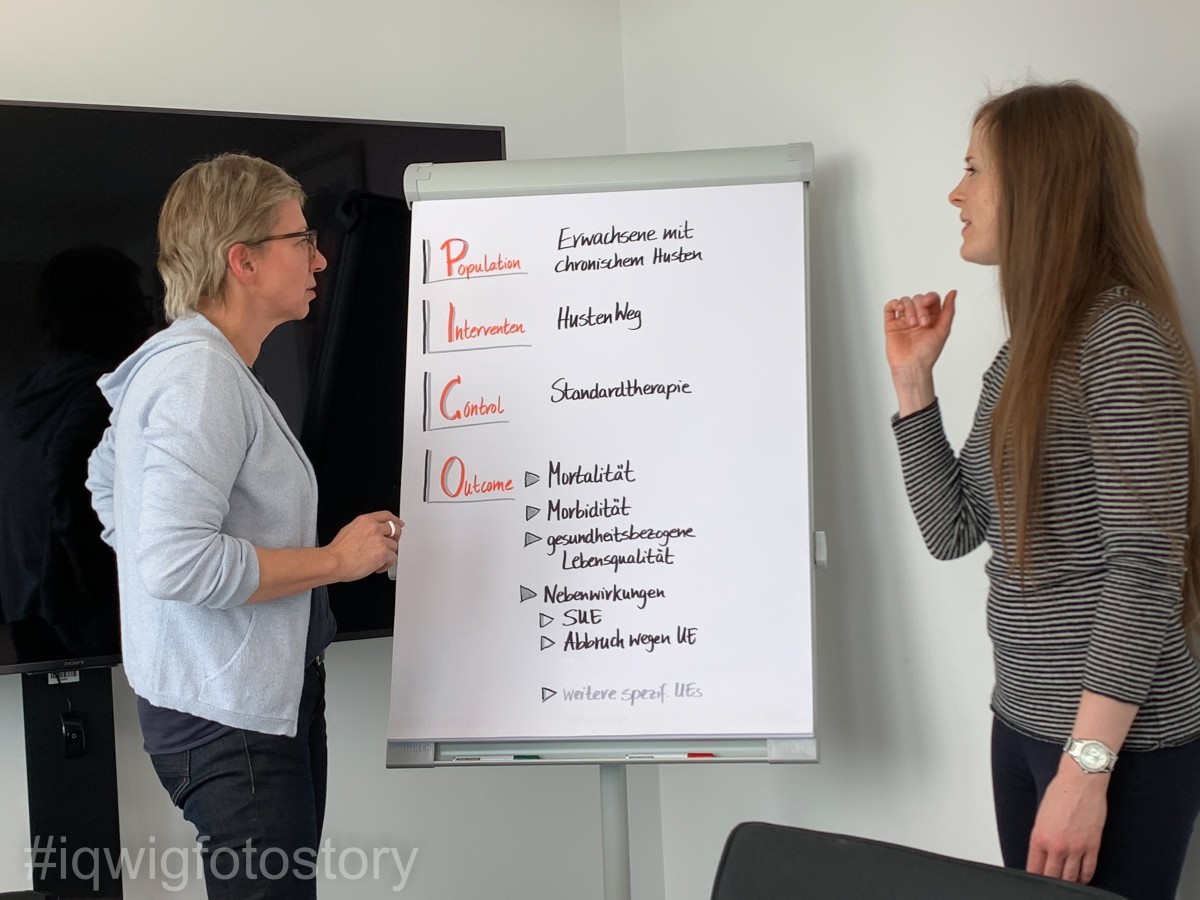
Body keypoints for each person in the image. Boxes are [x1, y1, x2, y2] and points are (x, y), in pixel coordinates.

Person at [885, 82, 1200, 900]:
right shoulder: (1028, 349)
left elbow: (1146, 571)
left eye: (975, 170)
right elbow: (954, 529)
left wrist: (1085, 772)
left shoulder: (1120, 339)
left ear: (1042, 182)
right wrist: (913, 381)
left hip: (1114, 752)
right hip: (1023, 725)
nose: (956, 193)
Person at [87, 153, 403, 899]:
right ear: (244, 261)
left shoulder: (205, 366)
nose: (319, 257)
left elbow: (110, 487)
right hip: (231, 729)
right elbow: (174, 562)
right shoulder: (195, 375)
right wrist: (334, 560)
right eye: (301, 240)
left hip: (248, 707)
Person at [0, 245, 150, 659]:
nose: (147, 318)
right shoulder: (99, 393)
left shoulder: (20, 399)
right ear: (107, 312)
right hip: (79, 621)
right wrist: (102, 587)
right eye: (137, 303)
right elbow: (68, 477)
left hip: (25, 611)